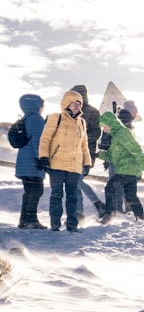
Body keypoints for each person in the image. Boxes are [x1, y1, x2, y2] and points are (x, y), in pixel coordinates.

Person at [37, 88, 92, 232]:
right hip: (57, 165)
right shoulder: (56, 117)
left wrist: (87, 162)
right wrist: (43, 157)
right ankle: (55, 223)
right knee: (56, 195)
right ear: (67, 103)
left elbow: (84, 145)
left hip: (74, 166)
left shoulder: (82, 122)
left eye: (79, 104)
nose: (77, 106)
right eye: (74, 103)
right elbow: (45, 139)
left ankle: (72, 224)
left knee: (72, 196)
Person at [96, 111, 144, 223]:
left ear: (110, 123)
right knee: (130, 196)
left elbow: (135, 149)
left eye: (104, 126)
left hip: (128, 169)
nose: (103, 129)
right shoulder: (115, 135)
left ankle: (109, 214)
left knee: (110, 188)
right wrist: (97, 154)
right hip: (128, 170)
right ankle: (140, 218)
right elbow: (111, 156)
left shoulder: (123, 133)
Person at [72, 84, 105, 221]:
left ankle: (98, 205)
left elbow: (97, 133)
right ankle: (79, 213)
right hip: (71, 153)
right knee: (75, 182)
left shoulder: (93, 112)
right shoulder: (71, 112)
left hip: (86, 153)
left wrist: (81, 139)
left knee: (77, 181)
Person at [14, 93, 47, 229]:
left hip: (24, 162)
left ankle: (24, 220)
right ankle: (31, 219)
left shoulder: (26, 118)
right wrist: (41, 158)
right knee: (36, 190)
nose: (43, 108)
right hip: (32, 162)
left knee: (29, 191)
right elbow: (37, 142)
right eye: (42, 105)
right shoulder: (36, 119)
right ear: (37, 105)